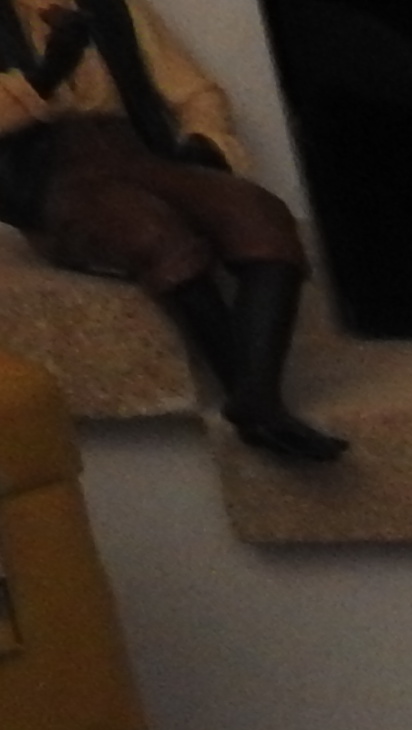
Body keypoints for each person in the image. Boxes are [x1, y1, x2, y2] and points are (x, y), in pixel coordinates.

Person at [0, 0, 344, 460]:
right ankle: (251, 399)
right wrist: (44, 77)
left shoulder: (115, 8)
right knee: (151, 233)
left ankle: (257, 395)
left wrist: (206, 141)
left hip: (135, 153)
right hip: (53, 177)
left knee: (258, 214)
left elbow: (194, 91)